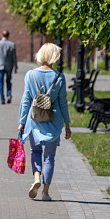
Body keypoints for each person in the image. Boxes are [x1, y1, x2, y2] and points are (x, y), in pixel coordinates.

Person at [17, 43, 71, 202]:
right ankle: (46, 193)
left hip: (34, 120)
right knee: (49, 157)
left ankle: (36, 178)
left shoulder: (30, 75)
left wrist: (21, 122)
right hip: (53, 121)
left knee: (35, 152)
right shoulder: (59, 77)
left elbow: (25, 101)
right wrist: (67, 125)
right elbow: (63, 103)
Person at [0, 30, 19, 104]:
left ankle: (2, 99)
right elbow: (14, 57)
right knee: (8, 81)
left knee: (0, 82)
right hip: (9, 66)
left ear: (2, 35)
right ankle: (9, 94)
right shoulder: (12, 44)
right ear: (8, 35)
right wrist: (15, 67)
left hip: (0, 65)